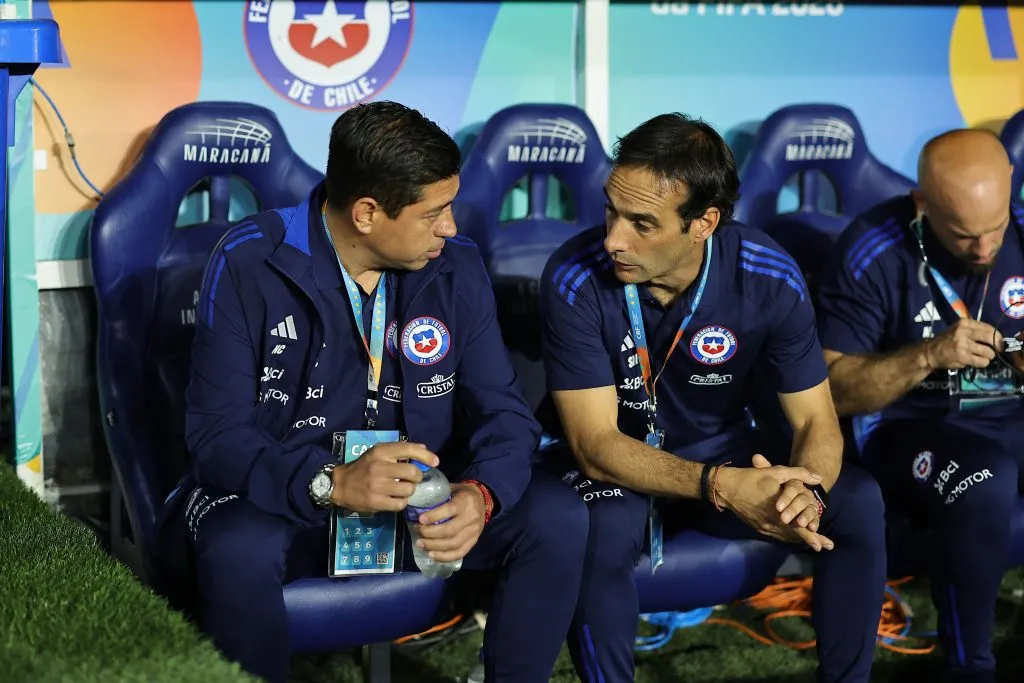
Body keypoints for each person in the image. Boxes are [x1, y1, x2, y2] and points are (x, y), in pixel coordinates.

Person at [155, 101, 589, 683]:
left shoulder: (457, 265)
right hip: (293, 499)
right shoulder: (247, 260)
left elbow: (505, 414)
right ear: (366, 213)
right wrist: (331, 482)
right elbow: (217, 437)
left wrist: (481, 496)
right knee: (238, 549)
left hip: (418, 504)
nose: (450, 227)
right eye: (433, 213)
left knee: (556, 514)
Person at [537, 112, 887, 683]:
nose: (613, 239)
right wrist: (720, 486)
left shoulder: (768, 275)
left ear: (704, 223)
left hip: (720, 451)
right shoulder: (574, 276)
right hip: (615, 465)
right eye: (611, 211)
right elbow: (595, 444)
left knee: (858, 499)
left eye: (641, 223)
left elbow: (816, 422)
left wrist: (806, 495)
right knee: (600, 528)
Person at [815, 128, 1024, 683]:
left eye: (995, 229)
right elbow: (832, 391)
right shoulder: (873, 249)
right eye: (964, 235)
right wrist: (929, 355)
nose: (984, 249)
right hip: (904, 425)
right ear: (922, 203)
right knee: (984, 479)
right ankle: (971, 669)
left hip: (1010, 413)